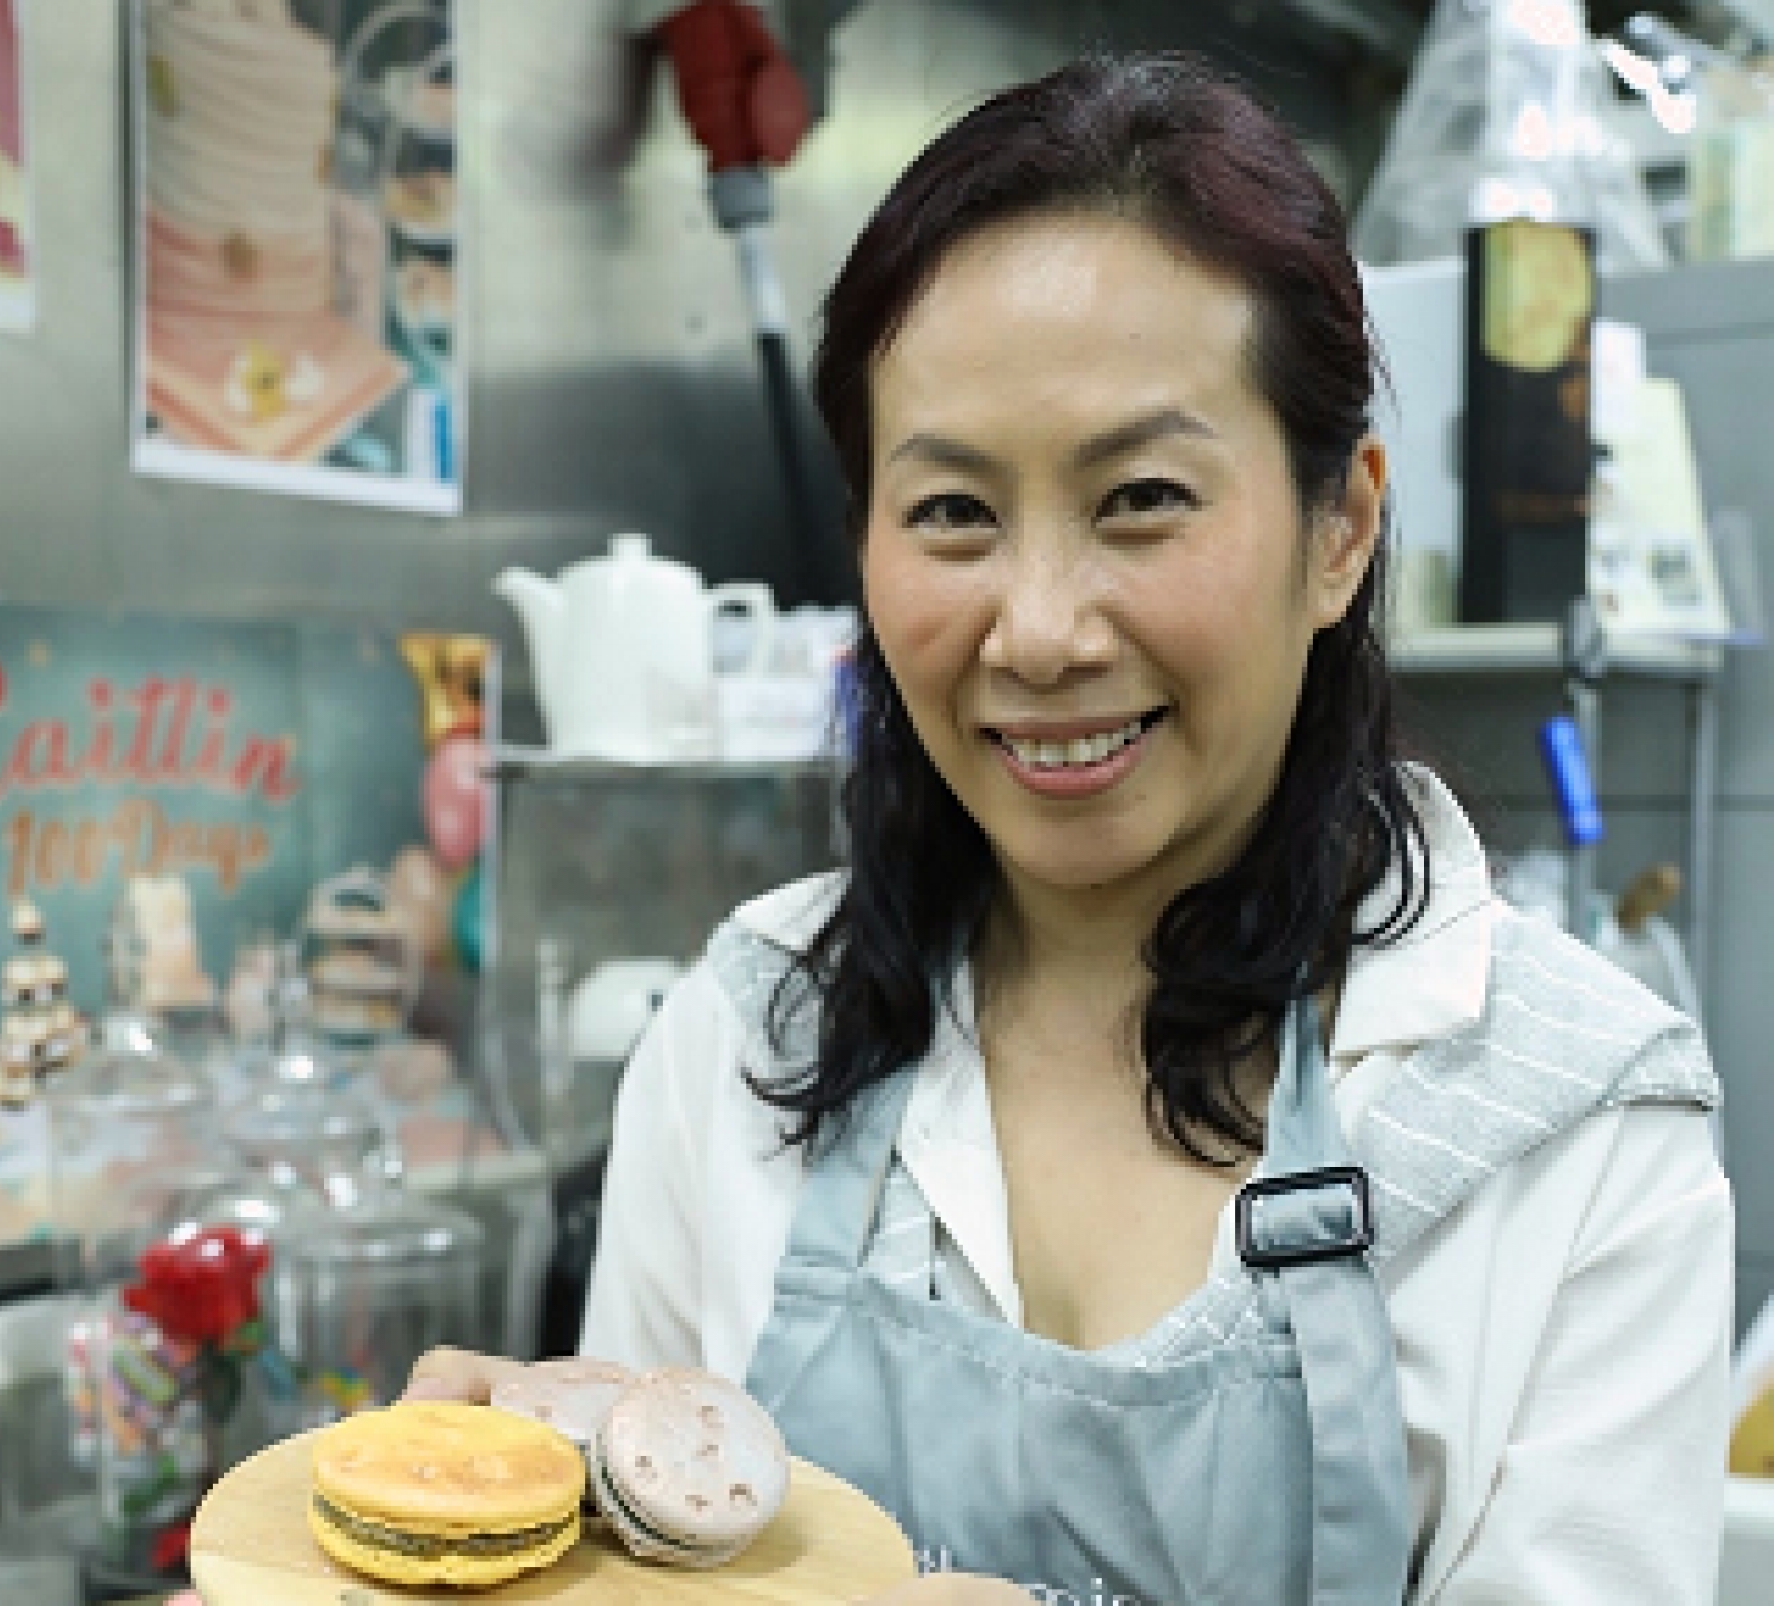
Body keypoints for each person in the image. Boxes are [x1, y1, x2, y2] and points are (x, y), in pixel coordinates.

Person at [407, 51, 1734, 1605]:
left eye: (1142, 497)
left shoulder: (1569, 1126)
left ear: (1342, 528)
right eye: (954, 512)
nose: (1036, 633)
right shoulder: (742, 1036)